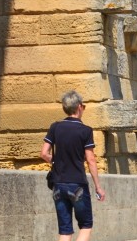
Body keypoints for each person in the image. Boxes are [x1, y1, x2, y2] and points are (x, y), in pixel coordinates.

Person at [41, 91, 106, 241]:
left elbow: (44, 153)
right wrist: (98, 187)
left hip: (58, 184)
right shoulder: (85, 130)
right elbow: (90, 160)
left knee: (65, 230)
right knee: (86, 224)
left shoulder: (55, 127)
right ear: (79, 107)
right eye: (83, 106)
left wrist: (56, 161)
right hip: (77, 184)